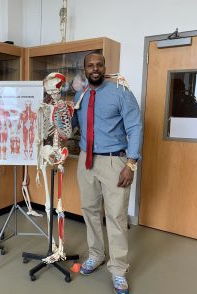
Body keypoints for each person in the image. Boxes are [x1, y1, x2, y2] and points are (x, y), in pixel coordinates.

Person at [72, 52, 142, 294]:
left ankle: (119, 271)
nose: (95, 69)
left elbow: (135, 126)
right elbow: (71, 125)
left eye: (99, 64)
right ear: (84, 69)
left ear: (105, 67)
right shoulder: (79, 94)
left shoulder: (121, 93)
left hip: (114, 162)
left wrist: (130, 164)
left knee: (116, 217)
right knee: (89, 211)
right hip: (85, 160)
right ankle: (96, 255)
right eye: (90, 65)